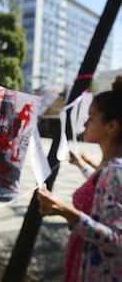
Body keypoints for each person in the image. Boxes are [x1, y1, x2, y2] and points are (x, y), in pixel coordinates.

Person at [37, 81, 122, 281]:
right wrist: (80, 165)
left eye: (91, 118)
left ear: (111, 126)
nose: (84, 124)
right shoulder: (110, 167)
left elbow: (117, 239)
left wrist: (65, 211)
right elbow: (99, 189)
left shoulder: (116, 170)